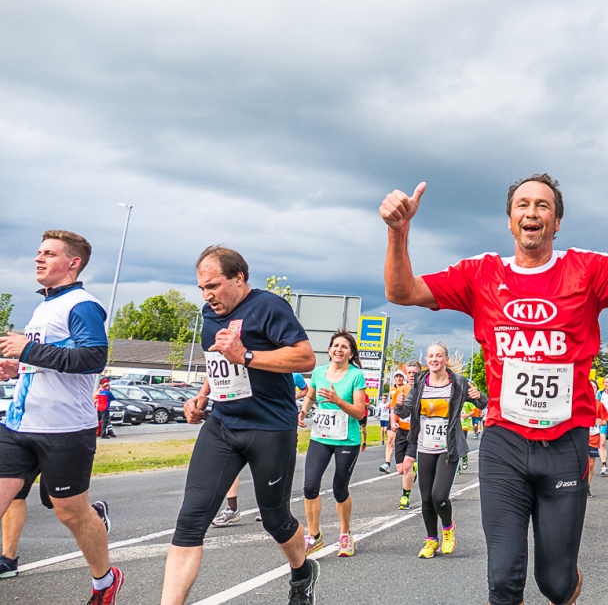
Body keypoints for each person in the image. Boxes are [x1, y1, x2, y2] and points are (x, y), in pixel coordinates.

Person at [379, 173, 608, 605]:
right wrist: (398, 233)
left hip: (565, 442)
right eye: (523, 205)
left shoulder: (587, 270)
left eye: (543, 206)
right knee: (503, 579)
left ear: (556, 222)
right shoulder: (480, 274)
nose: (532, 212)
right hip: (504, 440)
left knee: (555, 582)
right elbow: (401, 292)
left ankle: (565, 584)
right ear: (510, 221)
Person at [161, 246, 318, 605]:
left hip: (270, 428)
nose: (207, 295)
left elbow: (305, 357)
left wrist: (246, 355)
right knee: (190, 521)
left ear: (239, 278)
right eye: (201, 288)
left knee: (275, 520)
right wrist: (202, 396)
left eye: (214, 285)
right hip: (223, 425)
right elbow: (217, 361)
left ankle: (301, 572)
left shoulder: (270, 307)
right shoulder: (209, 313)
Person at [0, 230, 124, 603]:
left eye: (49, 254)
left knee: (70, 514)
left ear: (73, 263)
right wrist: (15, 366)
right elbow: (46, 361)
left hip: (65, 430)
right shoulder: (43, 306)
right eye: (38, 253)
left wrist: (29, 349)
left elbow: (92, 359)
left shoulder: (83, 305)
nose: (39, 259)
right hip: (18, 425)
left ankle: (105, 581)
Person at [396, 342, 486, 558]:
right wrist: (398, 405)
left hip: (449, 447)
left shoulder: (458, 382)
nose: (434, 359)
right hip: (425, 446)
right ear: (426, 360)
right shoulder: (419, 383)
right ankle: (431, 540)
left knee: (439, 496)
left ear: (445, 359)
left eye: (438, 356)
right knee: (426, 498)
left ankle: (447, 528)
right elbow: (405, 411)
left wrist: (477, 396)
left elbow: (482, 403)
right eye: (430, 356)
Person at [299, 331, 367, 558]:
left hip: (347, 439)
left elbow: (360, 412)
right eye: (335, 345)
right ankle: (314, 536)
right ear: (329, 350)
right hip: (321, 437)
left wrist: (338, 400)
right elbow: (310, 395)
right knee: (309, 486)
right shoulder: (319, 373)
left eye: (344, 347)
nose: (339, 349)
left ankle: (345, 533)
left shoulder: (356, 376)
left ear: (351, 353)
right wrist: (303, 411)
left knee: (340, 488)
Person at [391, 362, 422, 509]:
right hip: (402, 432)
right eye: (409, 373)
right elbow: (393, 409)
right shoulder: (400, 390)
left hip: (416, 432)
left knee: (408, 463)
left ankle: (405, 497)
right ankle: (413, 469)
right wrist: (393, 423)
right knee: (400, 469)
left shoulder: (423, 390)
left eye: (414, 373)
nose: (411, 376)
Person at [586, 381, 608, 493]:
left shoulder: (599, 405)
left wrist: (601, 421)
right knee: (580, 464)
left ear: (597, 390)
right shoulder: (580, 403)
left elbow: (606, 421)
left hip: (593, 438)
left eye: (594, 387)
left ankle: (587, 486)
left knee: (591, 465)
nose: (592, 388)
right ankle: (579, 487)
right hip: (581, 438)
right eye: (590, 387)